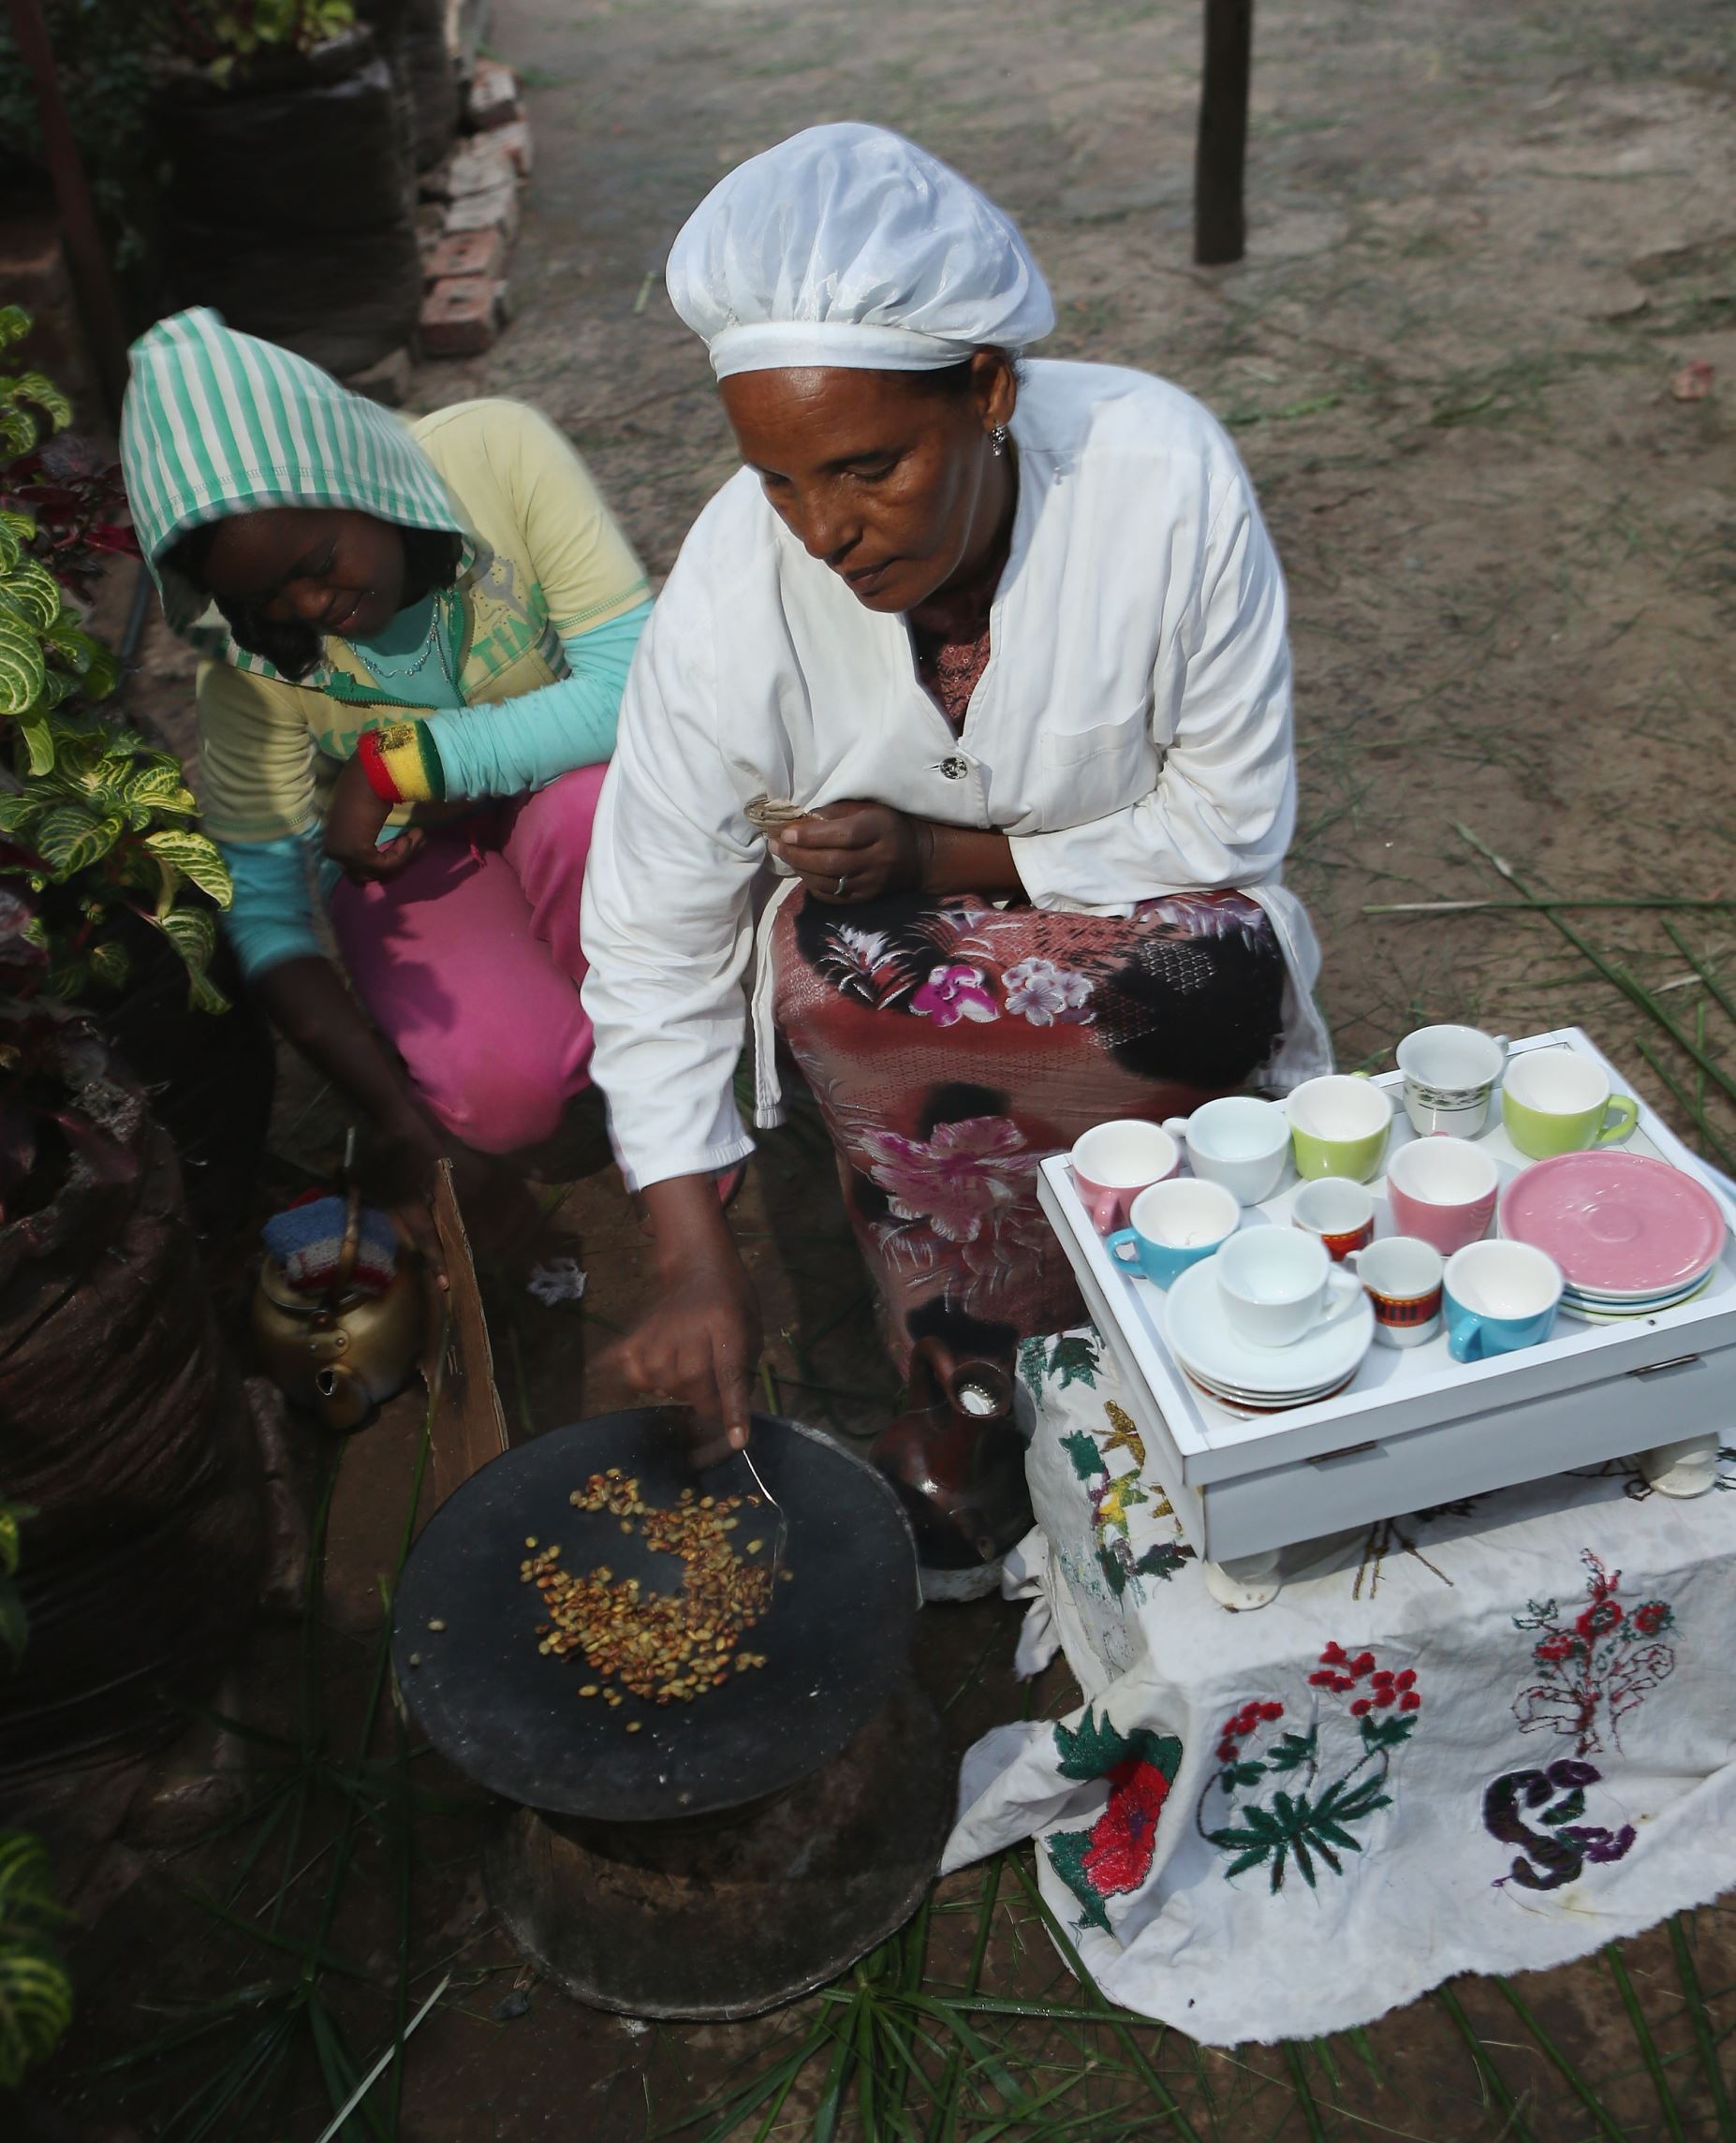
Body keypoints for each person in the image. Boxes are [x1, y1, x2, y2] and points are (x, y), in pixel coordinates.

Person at [581, 123, 1331, 1451]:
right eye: (776, 478)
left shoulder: (1157, 477)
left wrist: (944, 862)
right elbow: (652, 930)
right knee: (827, 967)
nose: (823, 532)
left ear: (984, 389)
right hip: (903, 992)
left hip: (1144, 948)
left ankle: (1202, 1324)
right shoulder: (726, 593)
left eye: (871, 466)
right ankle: (966, 1374)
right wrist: (695, 1257)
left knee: (1210, 974)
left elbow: (1228, 823)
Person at [120, 309, 652, 1254]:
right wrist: (399, 1121)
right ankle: (588, 1017)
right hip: (421, 860)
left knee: (588, 813)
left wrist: (401, 764)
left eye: (317, 565)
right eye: (266, 600)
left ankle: (668, 1068)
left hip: (566, 800)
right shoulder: (246, 659)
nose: (310, 607)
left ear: (359, 480)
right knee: (504, 1098)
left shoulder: (496, 457)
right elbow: (269, 908)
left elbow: (635, 684)